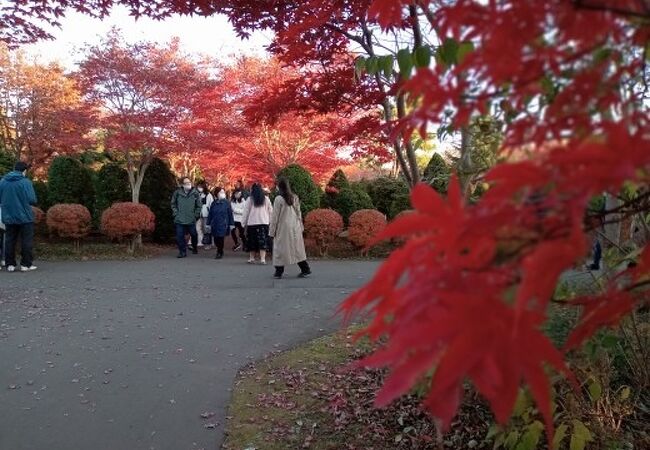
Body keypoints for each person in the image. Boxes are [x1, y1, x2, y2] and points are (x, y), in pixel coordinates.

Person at [269, 178, 311, 279]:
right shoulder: (294, 197)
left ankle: (279, 271)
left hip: (283, 227)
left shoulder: (278, 199)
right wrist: (301, 225)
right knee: (297, 249)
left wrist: (271, 232)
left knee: (280, 249)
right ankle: (305, 268)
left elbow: (275, 217)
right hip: (295, 226)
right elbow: (298, 213)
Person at [0, 161, 38, 272]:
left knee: (9, 240)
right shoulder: (26, 182)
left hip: (8, 216)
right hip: (24, 216)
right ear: (24, 171)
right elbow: (32, 200)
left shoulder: (2, 181)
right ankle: (26, 264)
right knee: (26, 240)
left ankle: (10, 265)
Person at [242, 183, 273, 265]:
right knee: (263, 241)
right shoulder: (266, 199)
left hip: (252, 223)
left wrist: (243, 223)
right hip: (264, 222)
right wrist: (270, 221)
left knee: (252, 241)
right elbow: (270, 211)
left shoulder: (250, 199)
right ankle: (263, 259)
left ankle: (252, 258)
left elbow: (246, 212)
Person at [171, 177, 201, 258]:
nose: (188, 184)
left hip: (191, 219)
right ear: (182, 185)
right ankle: (182, 251)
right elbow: (173, 204)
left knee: (194, 234)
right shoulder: (177, 193)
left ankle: (194, 247)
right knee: (179, 236)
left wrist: (195, 215)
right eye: (186, 183)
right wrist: (176, 213)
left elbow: (199, 205)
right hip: (179, 219)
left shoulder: (195, 193)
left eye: (189, 182)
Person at [207, 187, 235, 259]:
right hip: (215, 223)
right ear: (217, 193)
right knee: (216, 239)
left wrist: (231, 224)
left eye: (223, 192)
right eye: (221, 192)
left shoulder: (227, 203)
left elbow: (230, 214)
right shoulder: (214, 203)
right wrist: (208, 223)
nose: (222, 194)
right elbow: (210, 213)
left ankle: (219, 252)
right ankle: (219, 249)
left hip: (223, 223)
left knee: (221, 238)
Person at [196, 180, 214, 250]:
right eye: (198, 186)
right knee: (197, 228)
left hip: (206, 214)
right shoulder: (197, 194)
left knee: (207, 229)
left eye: (200, 186)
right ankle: (202, 241)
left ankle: (208, 243)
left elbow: (211, 205)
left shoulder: (208, 195)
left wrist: (211, 214)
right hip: (199, 214)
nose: (199, 188)